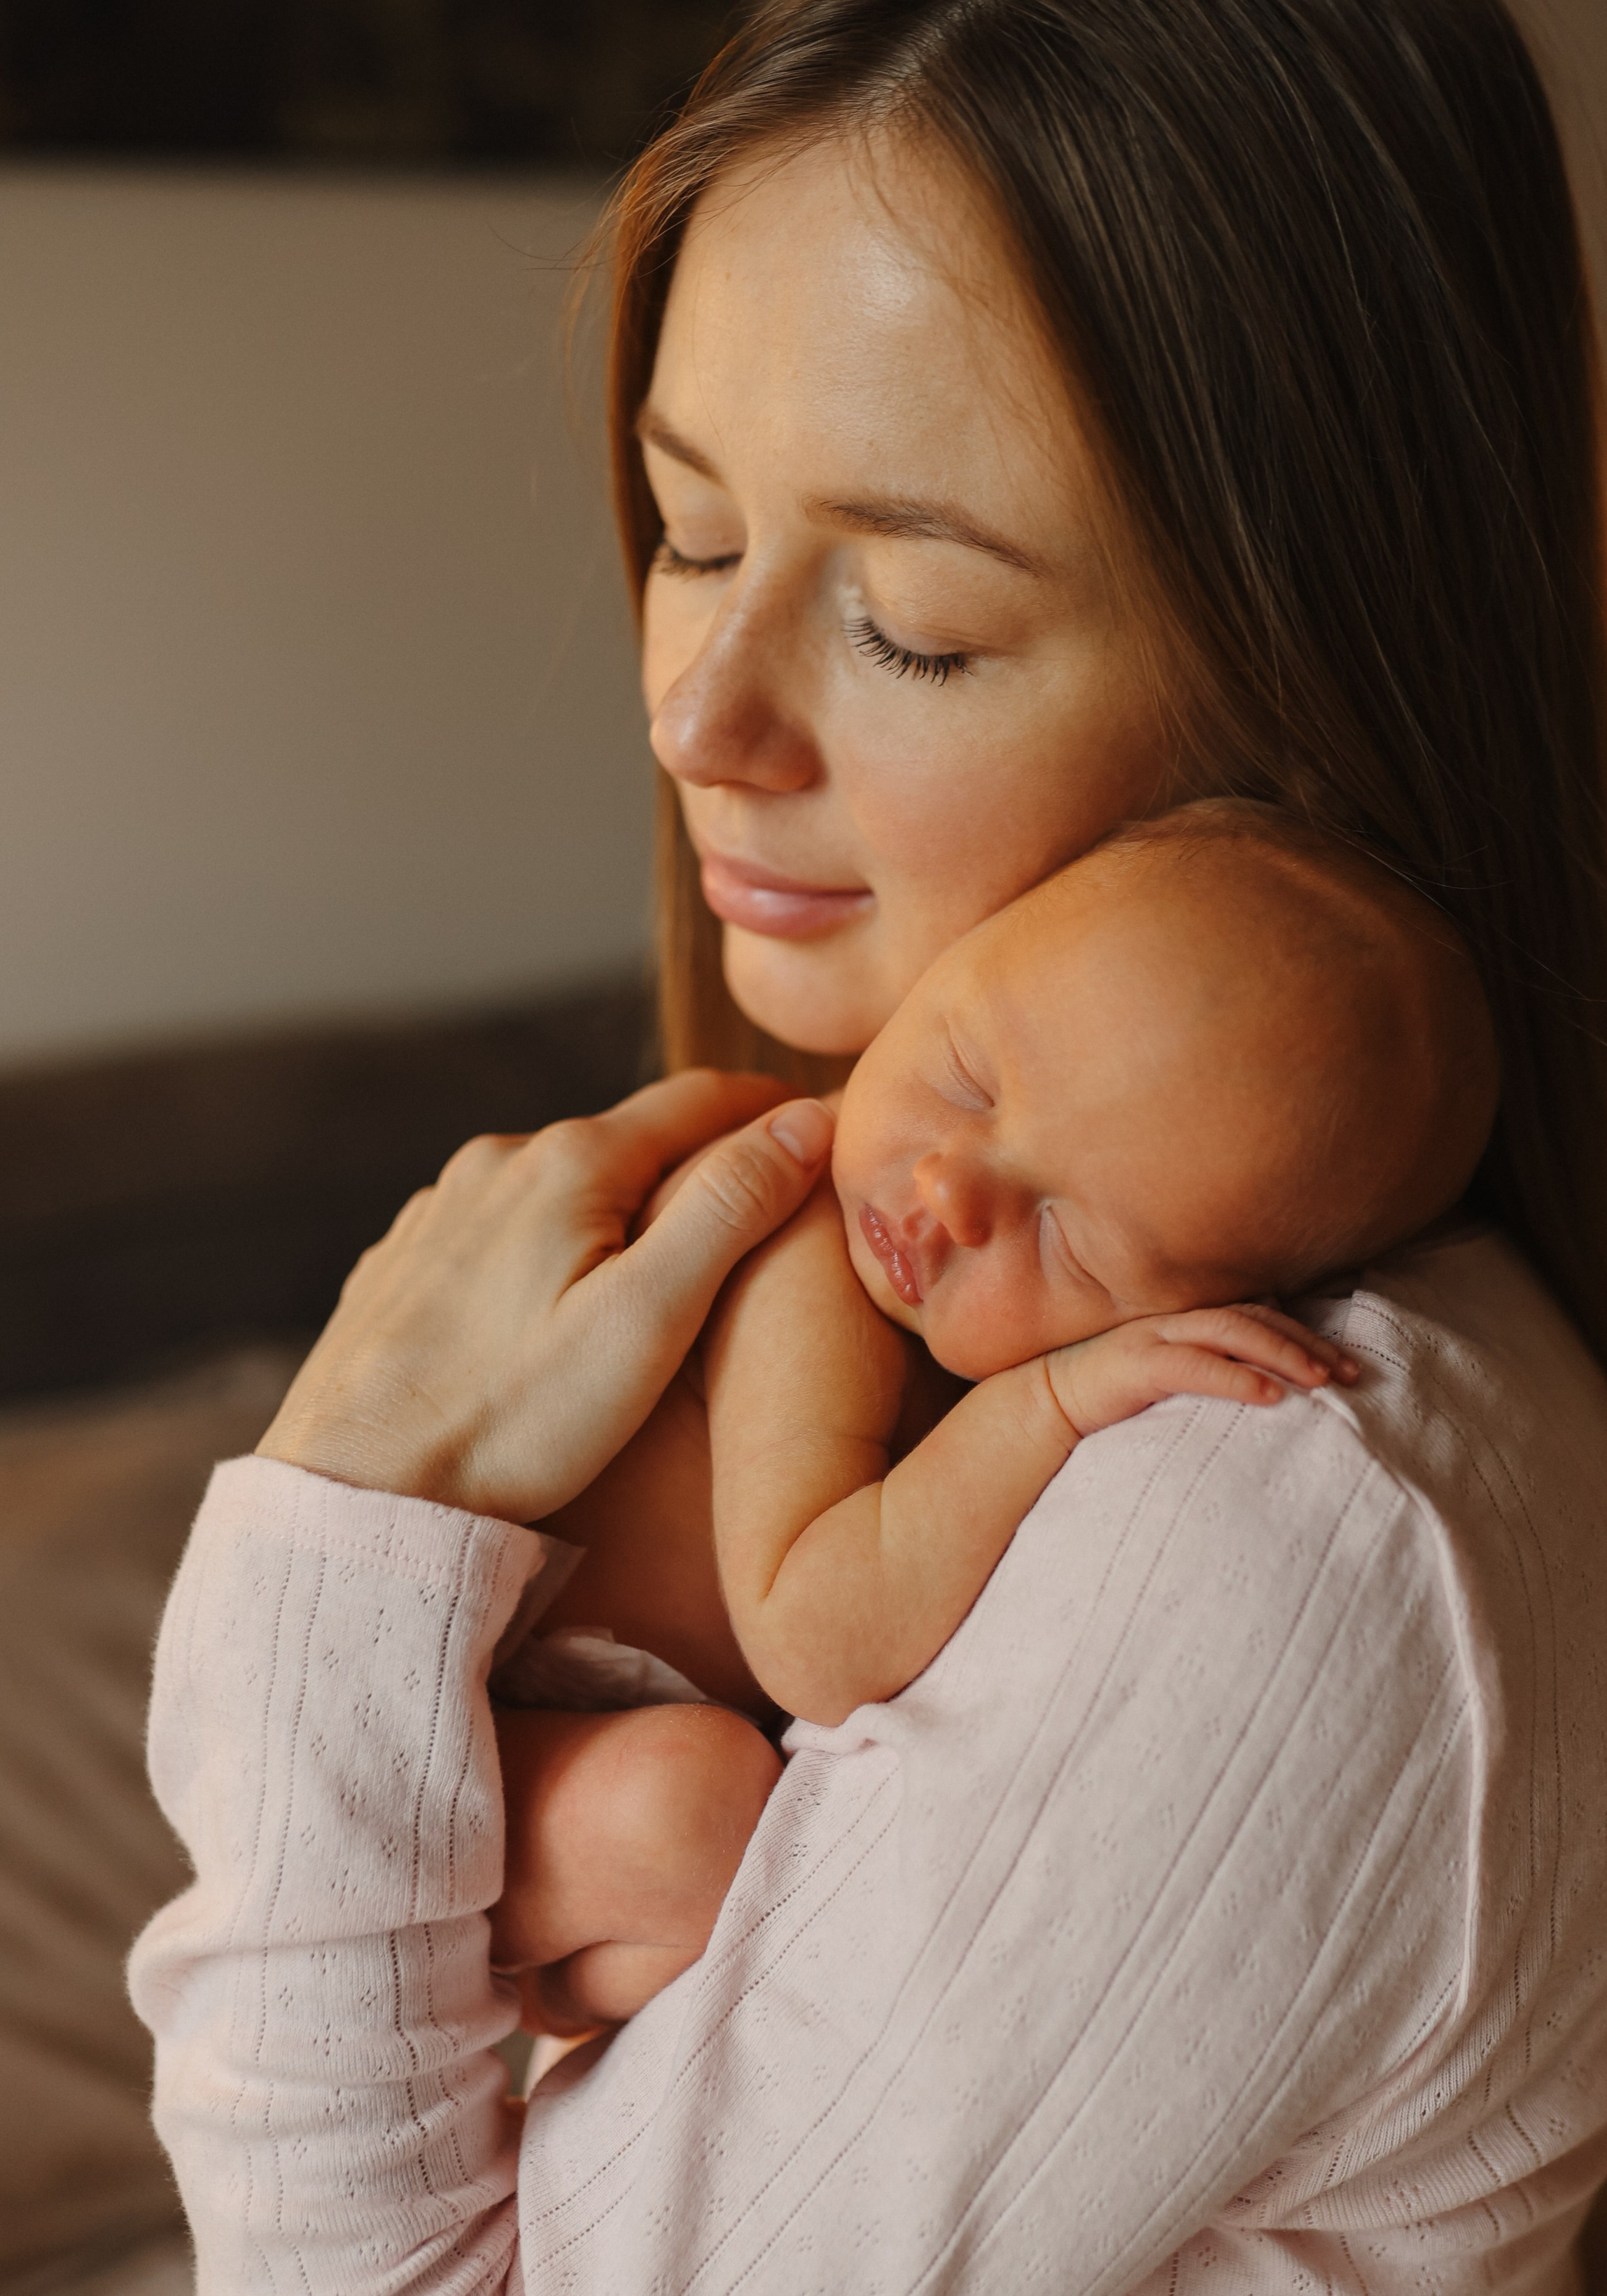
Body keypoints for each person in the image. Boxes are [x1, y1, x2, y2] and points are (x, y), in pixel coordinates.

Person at [129, 0, 1607, 2296]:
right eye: (685, 525)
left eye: (918, 626)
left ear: (1314, 684)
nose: (693, 710)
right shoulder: (1095, 1341)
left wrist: (336, 1548)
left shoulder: (1268, 1522)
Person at [488, 803, 1498, 2024]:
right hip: (465, 1729)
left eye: (1070, 1241)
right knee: (695, 1808)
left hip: (550, 1759)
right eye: (964, 1074)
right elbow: (813, 1637)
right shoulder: (801, 1255)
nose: (948, 1189)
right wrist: (1052, 1399)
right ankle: (526, 1986)